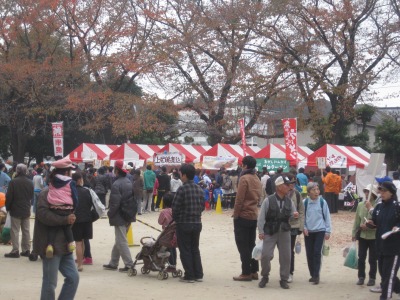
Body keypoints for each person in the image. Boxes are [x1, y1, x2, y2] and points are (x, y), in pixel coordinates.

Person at [32, 182, 79, 300]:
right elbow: (43, 215)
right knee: (50, 282)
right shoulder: (45, 193)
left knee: (73, 278)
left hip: (65, 245)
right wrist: (64, 219)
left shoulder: (68, 193)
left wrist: (71, 219)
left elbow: (71, 212)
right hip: (50, 245)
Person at [257, 175, 298, 289]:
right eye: (286, 185)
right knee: (266, 255)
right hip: (270, 230)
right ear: (279, 186)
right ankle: (265, 276)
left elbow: (293, 214)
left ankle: (284, 279)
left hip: (284, 231)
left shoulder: (289, 201)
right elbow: (261, 217)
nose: (289, 187)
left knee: (286, 256)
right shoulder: (268, 200)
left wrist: (294, 215)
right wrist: (261, 231)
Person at [172, 163, 204, 283]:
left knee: (185, 249)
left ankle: (189, 275)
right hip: (197, 223)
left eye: (180, 174)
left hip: (184, 223)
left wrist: (176, 219)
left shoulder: (182, 189)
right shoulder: (199, 189)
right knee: (195, 248)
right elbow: (202, 207)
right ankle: (198, 274)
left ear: (184, 175)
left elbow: (175, 207)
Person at [368, 181, 400, 300]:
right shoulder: (379, 207)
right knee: (383, 273)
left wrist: (397, 227)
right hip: (380, 246)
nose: (382, 193)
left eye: (384, 191)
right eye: (380, 191)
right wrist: (370, 223)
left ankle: (385, 296)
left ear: (391, 192)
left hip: (394, 247)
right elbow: (375, 222)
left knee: (388, 276)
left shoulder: (397, 206)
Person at [103, 160, 137, 272]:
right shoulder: (129, 181)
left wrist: (109, 213)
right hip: (128, 214)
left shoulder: (116, 184)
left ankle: (129, 264)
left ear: (116, 170)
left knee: (121, 240)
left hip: (119, 216)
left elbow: (114, 203)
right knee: (119, 239)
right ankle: (113, 262)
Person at [232, 156, 262, 282]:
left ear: (244, 165)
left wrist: (236, 214)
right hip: (254, 214)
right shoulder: (256, 178)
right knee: (251, 244)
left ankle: (246, 272)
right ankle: (254, 271)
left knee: (243, 245)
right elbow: (260, 196)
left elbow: (239, 199)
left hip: (243, 215)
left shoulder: (244, 178)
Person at [45, 158, 78, 258]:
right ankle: (71, 243)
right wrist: (74, 209)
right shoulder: (71, 182)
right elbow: (75, 197)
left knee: (53, 227)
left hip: (53, 208)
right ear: (66, 171)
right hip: (66, 208)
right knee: (67, 227)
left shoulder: (51, 180)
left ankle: (49, 245)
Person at [303, 182, 332, 285]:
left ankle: (316, 275)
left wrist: (328, 230)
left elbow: (327, 216)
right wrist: (304, 227)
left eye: (317, 189)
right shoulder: (305, 202)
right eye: (314, 190)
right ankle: (312, 274)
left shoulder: (322, 202)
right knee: (309, 253)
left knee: (316, 253)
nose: (316, 192)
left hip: (320, 230)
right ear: (309, 191)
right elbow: (303, 218)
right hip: (308, 232)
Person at [4, 163, 34, 258]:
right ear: (25, 171)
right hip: (26, 208)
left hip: (15, 208)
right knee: (26, 230)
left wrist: (7, 207)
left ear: (17, 170)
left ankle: (15, 250)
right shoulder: (30, 182)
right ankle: (26, 250)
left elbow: (9, 197)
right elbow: (31, 196)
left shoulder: (13, 182)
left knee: (15, 230)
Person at [352, 184, 378, 286]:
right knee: (361, 257)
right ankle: (361, 276)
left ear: (374, 194)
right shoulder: (360, 205)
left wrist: (371, 225)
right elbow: (356, 221)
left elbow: (379, 221)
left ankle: (372, 277)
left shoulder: (377, 206)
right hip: (362, 235)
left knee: (372, 258)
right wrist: (354, 233)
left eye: (369, 192)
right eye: (366, 191)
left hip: (374, 236)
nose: (367, 193)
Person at [71, 172, 95, 272]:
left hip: (76, 219)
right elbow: (92, 204)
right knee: (84, 240)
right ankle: (83, 259)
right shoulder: (87, 191)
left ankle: (80, 264)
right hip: (87, 219)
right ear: (80, 180)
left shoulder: (71, 192)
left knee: (78, 242)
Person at [288, 174, 305, 283]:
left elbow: (302, 211)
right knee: (282, 251)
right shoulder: (280, 195)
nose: (292, 185)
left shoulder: (298, 195)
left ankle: (290, 272)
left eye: (293, 183)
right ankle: (284, 270)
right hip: (281, 226)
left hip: (293, 226)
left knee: (290, 250)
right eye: (290, 183)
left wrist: (301, 226)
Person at [158, 192, 177, 272]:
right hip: (174, 234)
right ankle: (173, 264)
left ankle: (166, 264)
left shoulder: (163, 212)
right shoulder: (176, 210)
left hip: (166, 235)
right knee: (173, 249)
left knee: (165, 249)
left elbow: (160, 222)